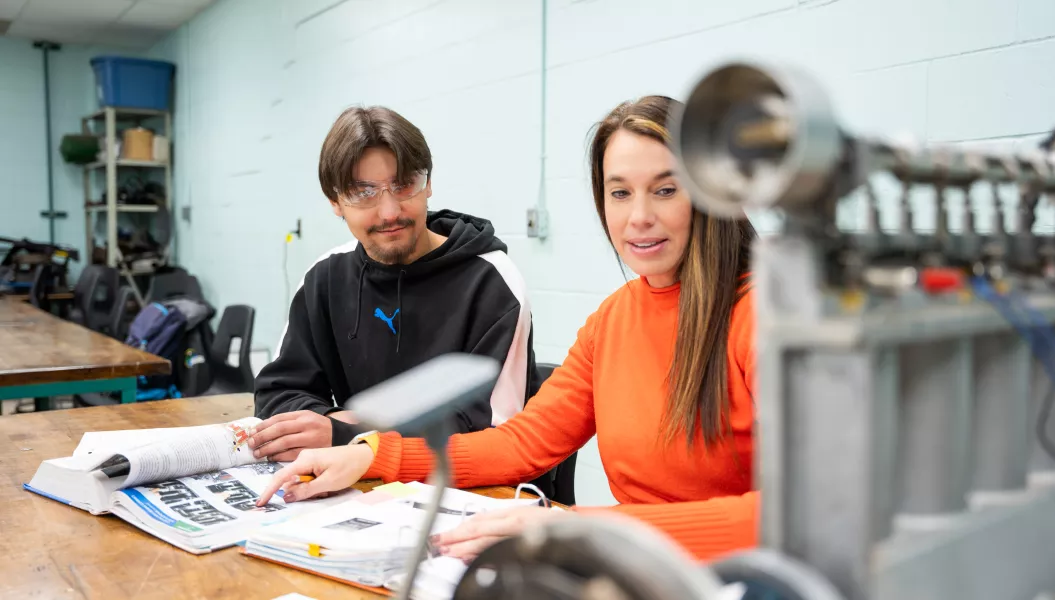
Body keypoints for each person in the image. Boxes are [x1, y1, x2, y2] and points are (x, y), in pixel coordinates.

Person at [258, 96, 759, 563]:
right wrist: (370, 453)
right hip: (646, 571)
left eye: (666, 190)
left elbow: (804, 517)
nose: (639, 217)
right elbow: (520, 445)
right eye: (620, 193)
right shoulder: (613, 319)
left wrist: (577, 530)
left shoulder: (764, 316)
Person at [249, 106, 537, 462]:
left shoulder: (492, 282)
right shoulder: (325, 278)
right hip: (358, 486)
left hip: (464, 492)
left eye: (403, 185)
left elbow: (489, 429)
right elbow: (280, 392)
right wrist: (329, 423)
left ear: (428, 183)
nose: (389, 212)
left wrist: (350, 434)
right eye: (363, 192)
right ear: (335, 202)